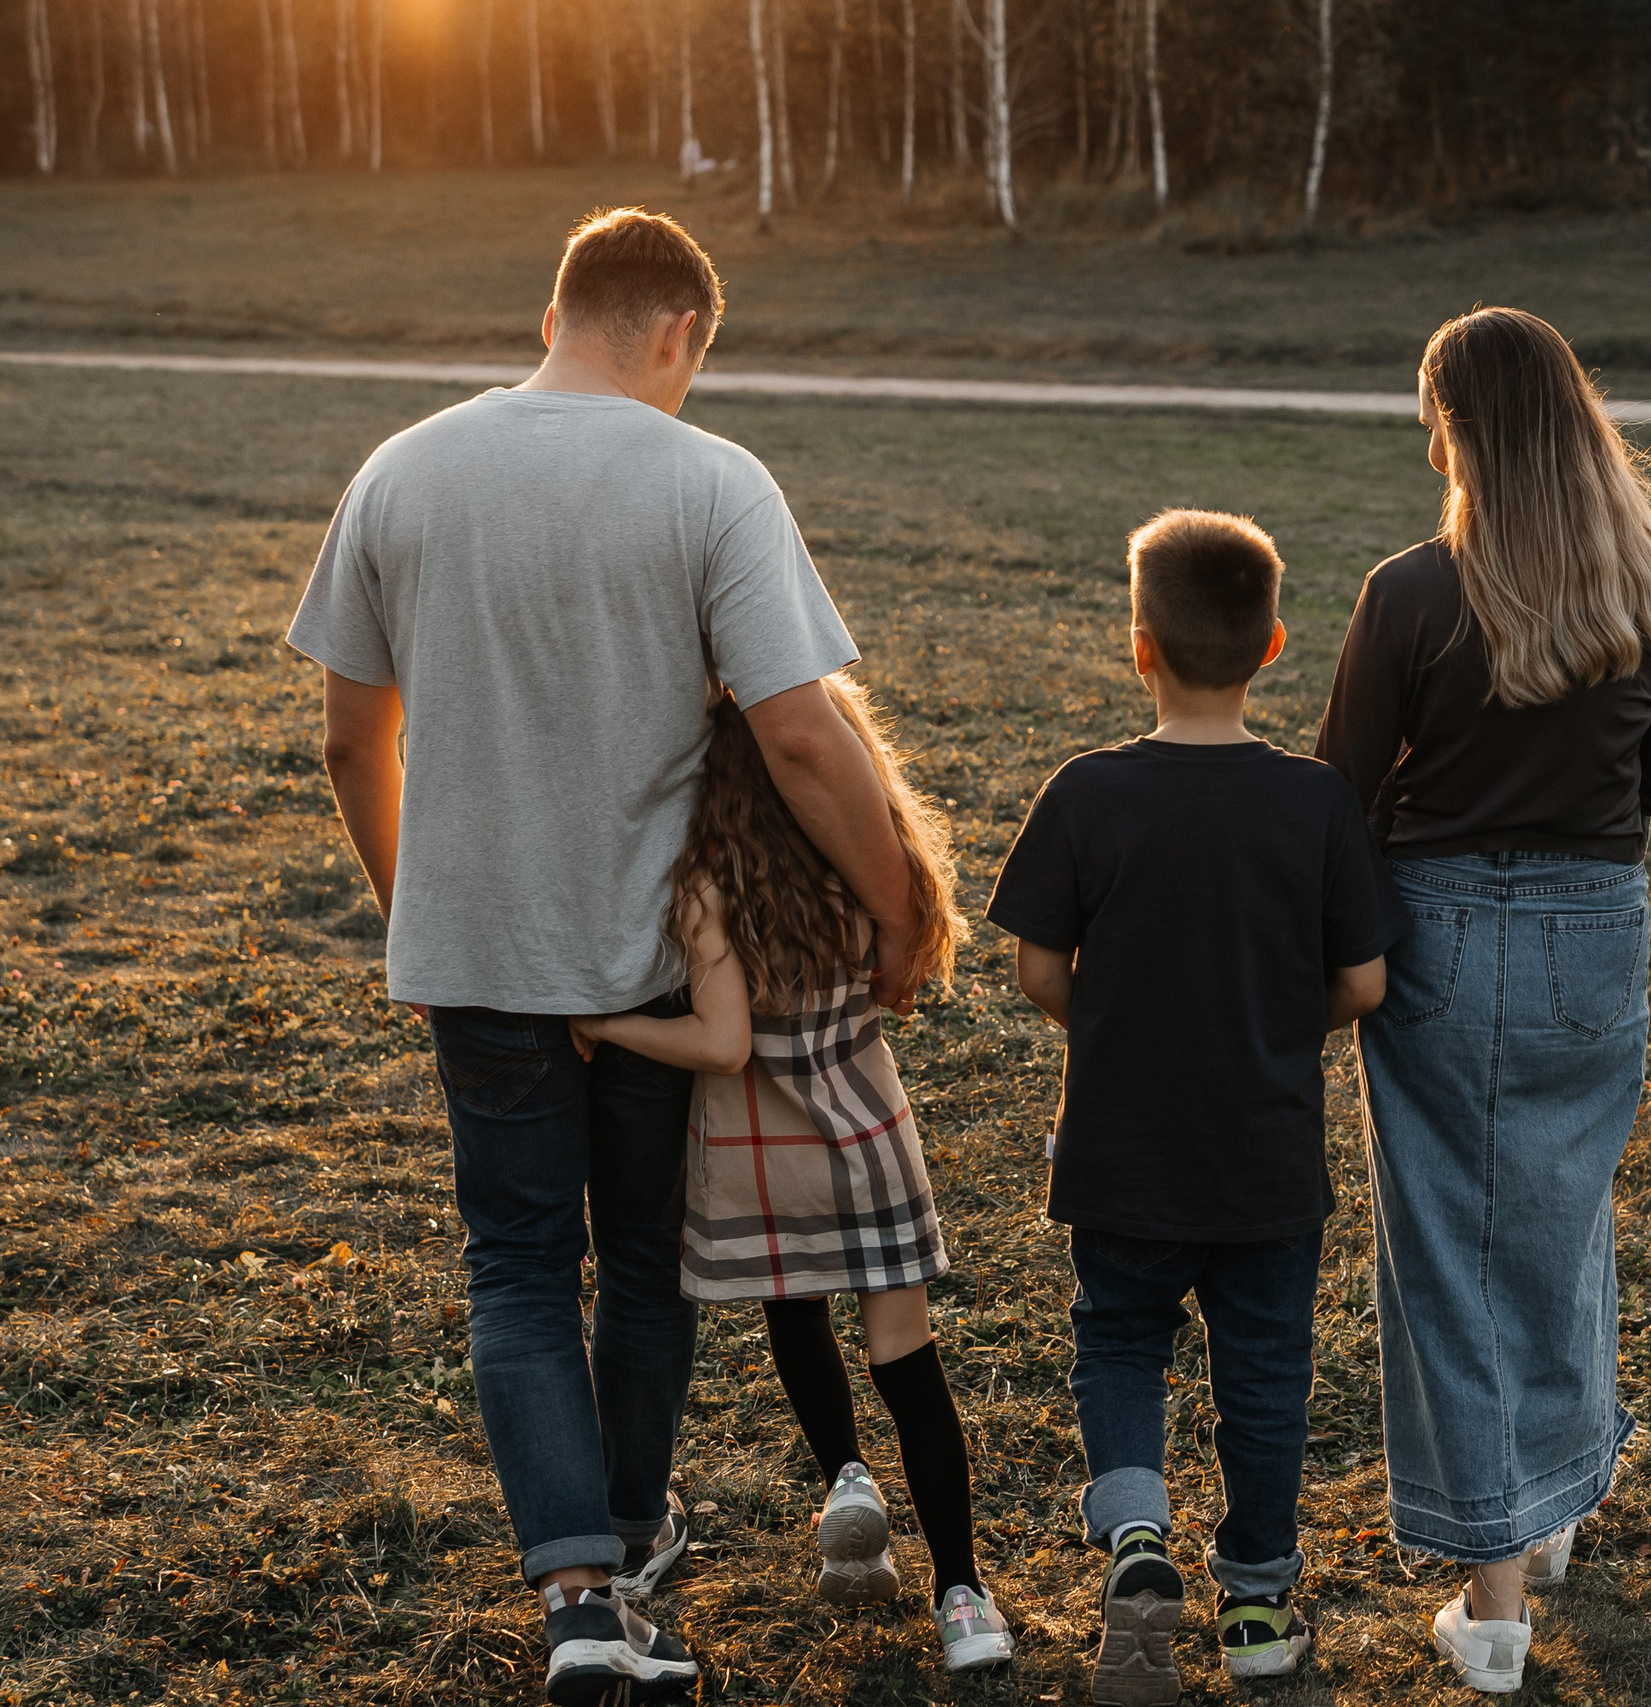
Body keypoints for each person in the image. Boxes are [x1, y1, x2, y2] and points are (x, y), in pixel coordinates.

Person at [292, 207, 921, 1706]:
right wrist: (897, 909)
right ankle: (630, 1542)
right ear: (678, 332)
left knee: (517, 1269)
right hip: (652, 956)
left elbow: (344, 734)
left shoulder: (404, 466)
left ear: (559, 307)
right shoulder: (711, 480)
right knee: (642, 1263)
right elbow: (798, 732)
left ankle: (578, 1594)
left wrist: (419, 908)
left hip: (477, 954)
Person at [1315, 308, 1651, 1695]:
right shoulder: (1644, 577)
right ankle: (1551, 1509)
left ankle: (1491, 1610)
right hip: (1595, 927)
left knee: (1449, 1251)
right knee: (1558, 1216)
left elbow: (1339, 792)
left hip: (1447, 932)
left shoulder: (1413, 591)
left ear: (1458, 427)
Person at [988, 510, 1401, 1705]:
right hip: (1264, 1155)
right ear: (1274, 646)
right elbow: (1365, 983)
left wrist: (1121, 1029)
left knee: (1118, 1334)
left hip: (1124, 1145)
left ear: (1138, 649)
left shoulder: (1088, 793)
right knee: (1264, 1368)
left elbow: (1036, 966)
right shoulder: (1317, 804)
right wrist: (1272, 1025)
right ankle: (1261, 1609)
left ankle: (1134, 1543)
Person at [566, 677, 1013, 1673]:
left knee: (794, 1308)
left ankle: (846, 1474)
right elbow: (902, 980)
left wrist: (607, 1025)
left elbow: (722, 1045)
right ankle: (964, 1599)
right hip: (868, 1136)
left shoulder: (707, 885)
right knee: (907, 1358)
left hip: (764, 1158)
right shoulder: (863, 868)